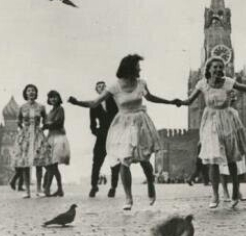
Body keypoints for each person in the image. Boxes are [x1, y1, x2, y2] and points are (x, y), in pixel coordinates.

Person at [68, 54, 183, 210]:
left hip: (140, 123)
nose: (140, 69)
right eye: (137, 66)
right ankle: (128, 198)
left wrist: (171, 102)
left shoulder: (141, 83)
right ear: (129, 68)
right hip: (122, 124)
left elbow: (151, 98)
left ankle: (150, 183)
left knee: (144, 159)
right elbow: (95, 103)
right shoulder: (114, 87)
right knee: (124, 159)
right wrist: (77, 102)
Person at [179, 56, 246, 209]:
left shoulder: (229, 82)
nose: (218, 70)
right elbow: (189, 101)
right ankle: (215, 194)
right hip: (210, 121)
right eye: (215, 67)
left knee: (231, 159)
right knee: (213, 158)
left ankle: (234, 192)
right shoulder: (202, 84)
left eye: (221, 67)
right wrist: (177, 102)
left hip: (227, 120)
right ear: (209, 69)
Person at [13, 84, 51, 198]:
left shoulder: (41, 107)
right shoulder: (22, 107)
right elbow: (18, 121)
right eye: (29, 91)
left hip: (37, 135)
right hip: (25, 136)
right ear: (26, 93)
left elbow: (46, 121)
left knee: (38, 162)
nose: (31, 93)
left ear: (36, 93)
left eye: (33, 91)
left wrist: (41, 129)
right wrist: (24, 131)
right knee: (25, 163)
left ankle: (39, 189)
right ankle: (27, 191)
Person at [88, 81, 121, 198]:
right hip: (101, 137)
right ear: (96, 90)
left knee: (115, 162)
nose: (101, 88)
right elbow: (92, 125)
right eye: (99, 87)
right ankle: (93, 186)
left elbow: (120, 115)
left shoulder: (113, 101)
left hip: (114, 135)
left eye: (103, 86)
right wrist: (98, 132)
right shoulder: (94, 105)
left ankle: (113, 187)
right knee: (96, 162)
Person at [42, 90, 70, 197]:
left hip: (58, 137)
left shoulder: (60, 109)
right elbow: (46, 122)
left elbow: (59, 122)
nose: (53, 99)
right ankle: (56, 189)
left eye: (55, 97)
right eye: (51, 97)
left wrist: (46, 125)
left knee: (53, 165)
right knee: (50, 165)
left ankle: (50, 188)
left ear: (58, 98)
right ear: (49, 99)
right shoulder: (50, 111)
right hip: (50, 138)